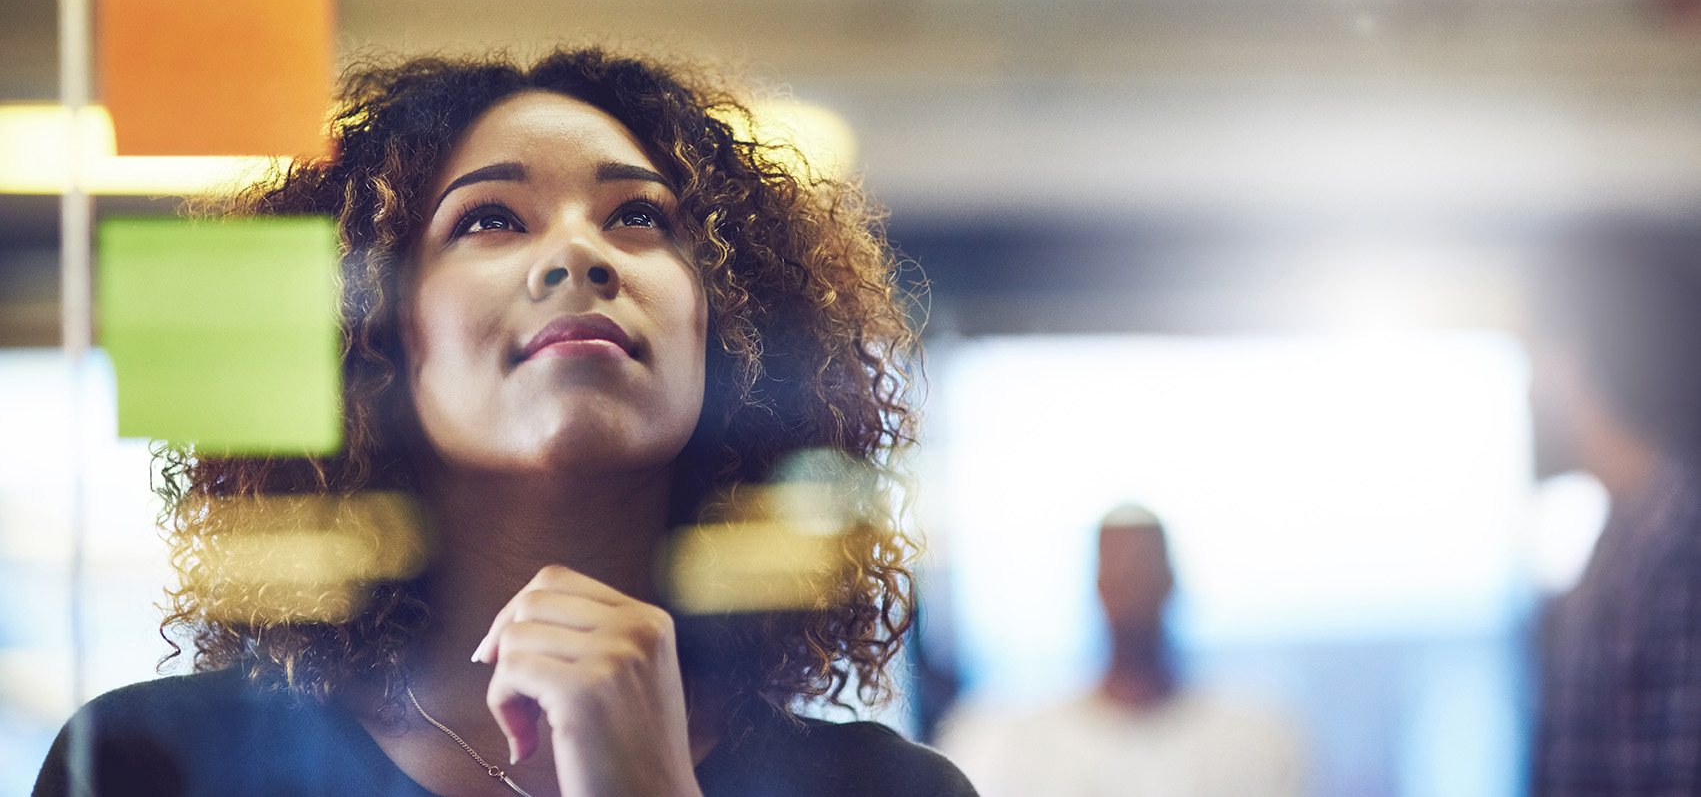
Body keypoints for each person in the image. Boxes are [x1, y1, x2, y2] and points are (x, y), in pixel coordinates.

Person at [35, 48, 976, 797]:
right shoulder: (150, 766)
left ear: (723, 325)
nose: (579, 253)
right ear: (380, 338)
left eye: (639, 216)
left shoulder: (885, 788)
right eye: (490, 220)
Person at [937, 506, 1304, 797]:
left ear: (1170, 582)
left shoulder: (1256, 741)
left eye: (1143, 568)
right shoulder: (1000, 739)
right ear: (1096, 585)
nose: (1129, 586)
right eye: (1116, 570)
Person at [1528, 230, 1701, 797]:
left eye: (1540, 353)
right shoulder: (1627, 534)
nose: (1531, 386)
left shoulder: (1679, 544)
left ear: (1575, 364)